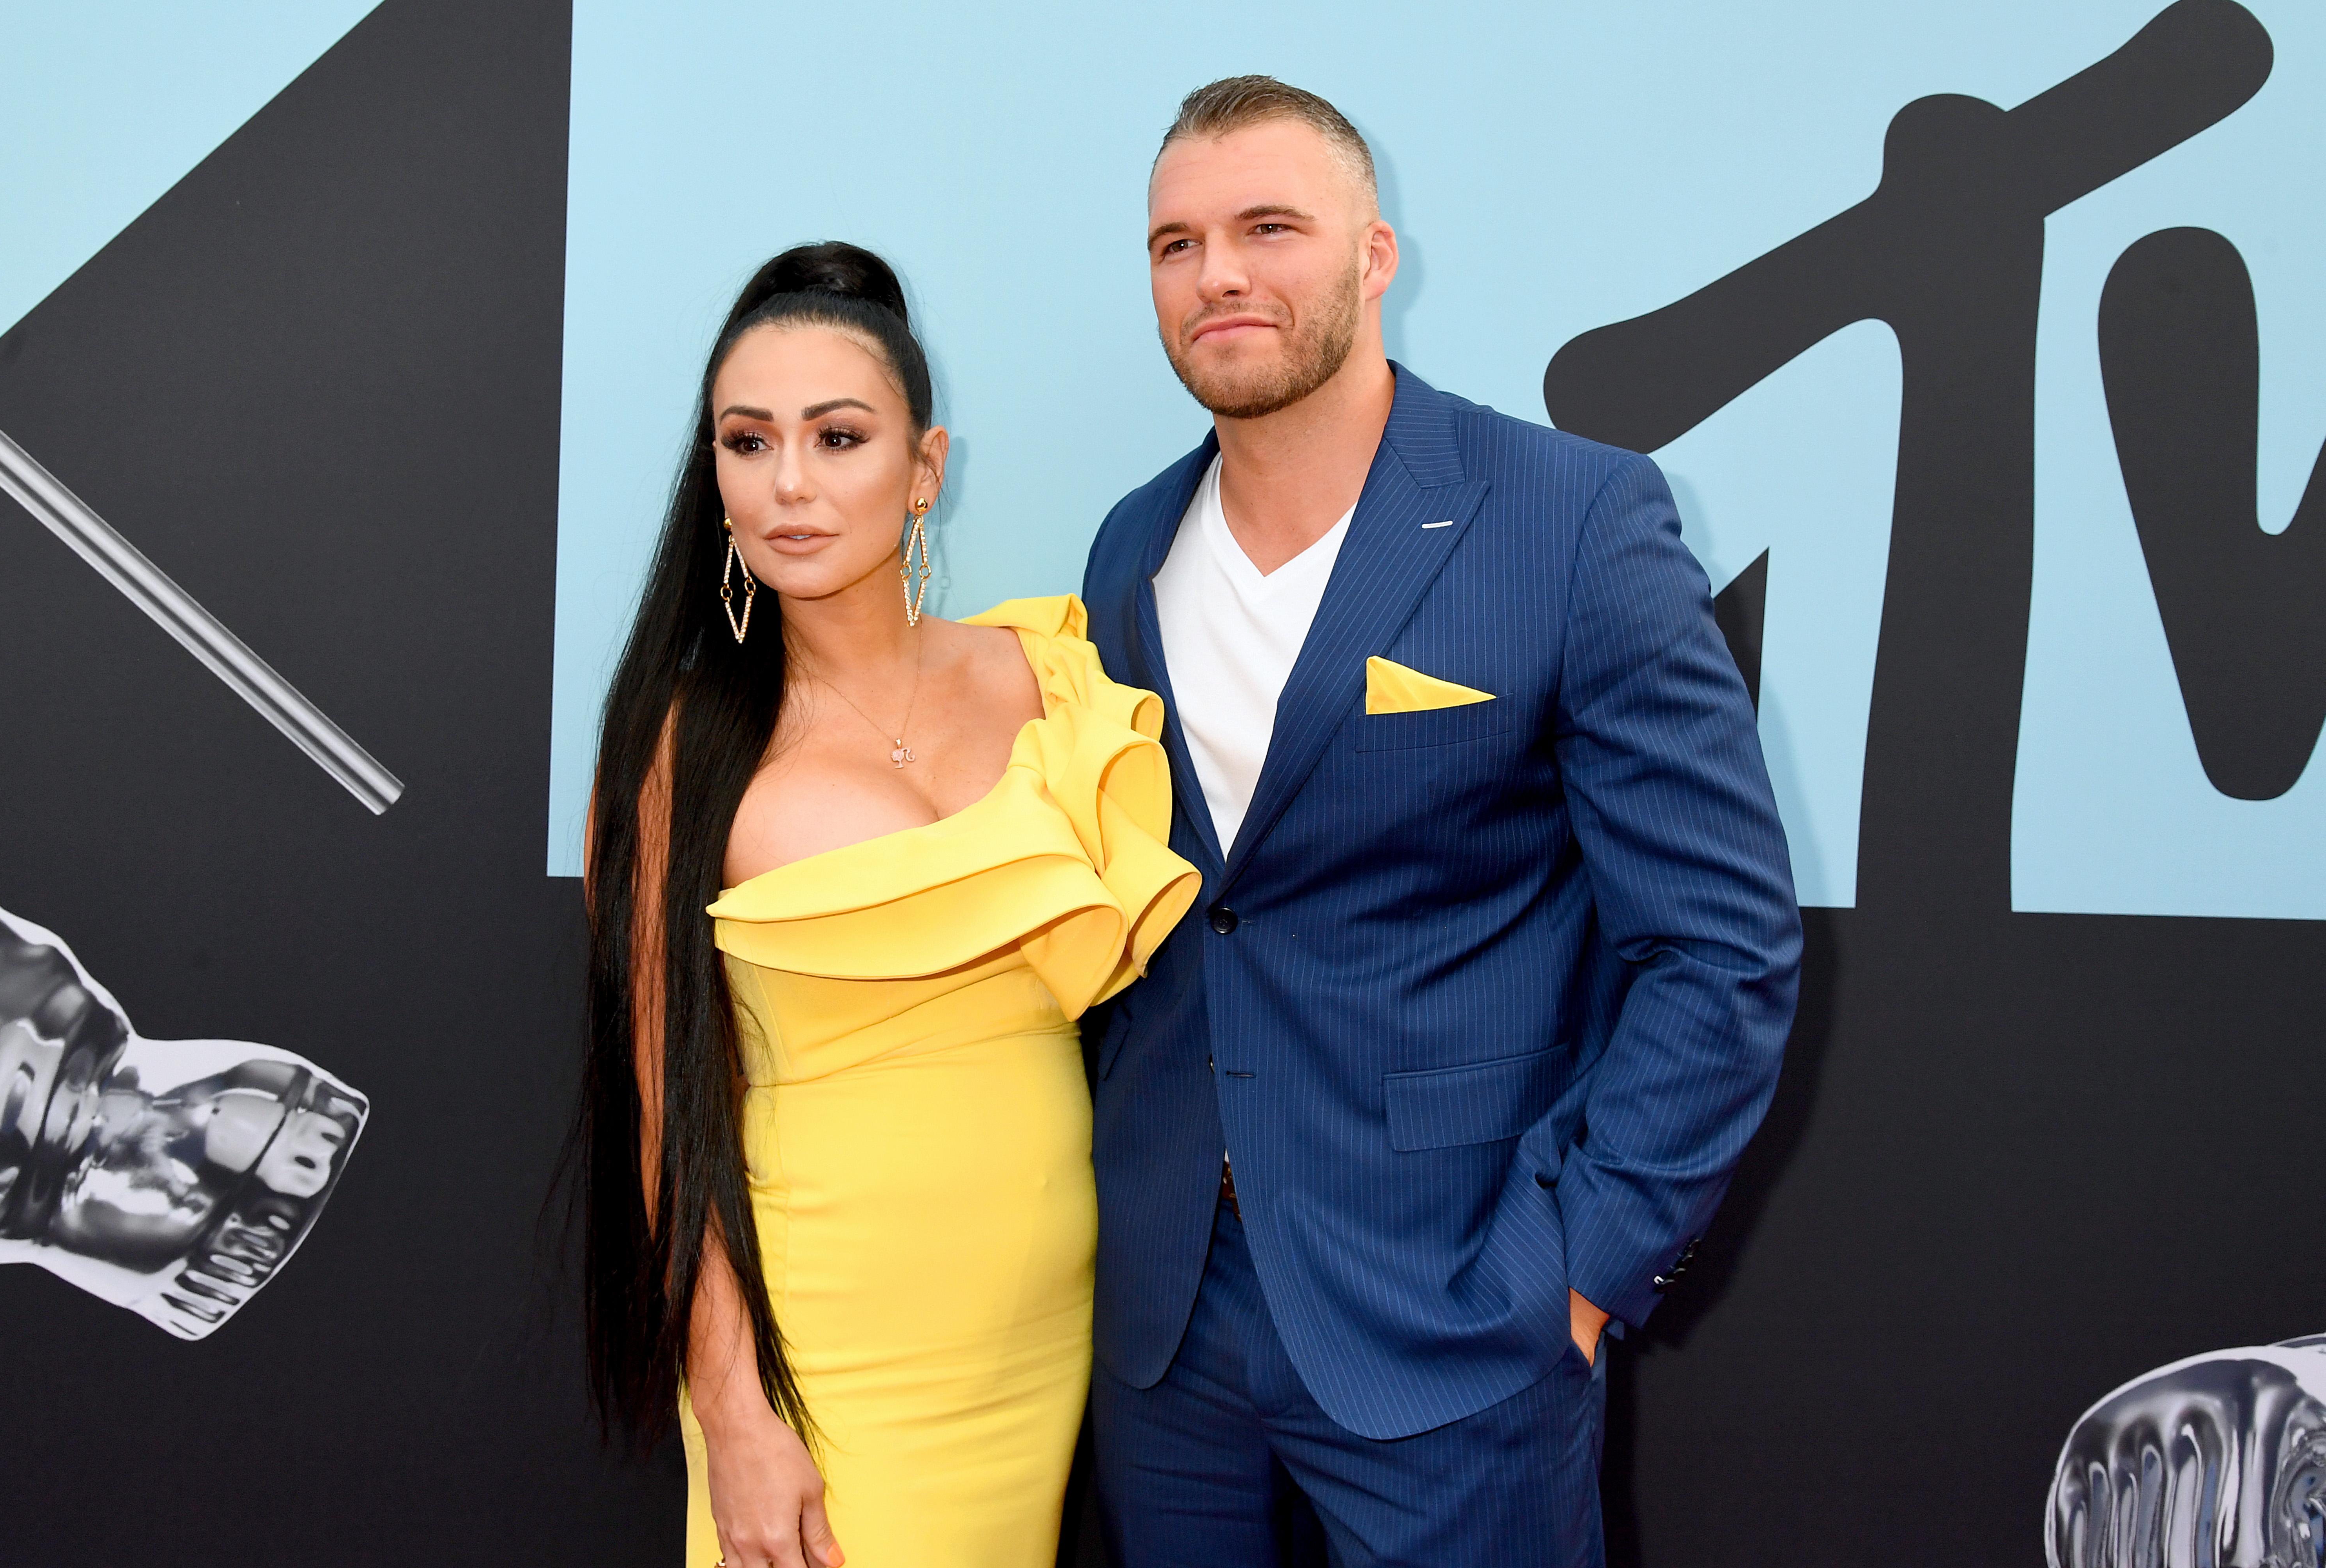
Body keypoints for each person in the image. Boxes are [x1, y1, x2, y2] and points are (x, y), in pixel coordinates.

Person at [1080, 78, 1804, 1565]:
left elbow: (1722, 947)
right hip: (1167, 1319)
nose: (1217, 273)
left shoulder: (1571, 517)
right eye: (1176, 243)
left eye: (1268, 227)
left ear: (1374, 254)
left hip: (1458, 1314)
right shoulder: (1129, 547)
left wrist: (1579, 1273)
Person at [576, 243, 1198, 1568]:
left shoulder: (1053, 677)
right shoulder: (680, 750)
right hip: (828, 1349)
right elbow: (664, 1115)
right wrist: (735, 1411)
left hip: (1044, 1328)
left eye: (837, 437)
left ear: (926, 468)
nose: (789, 483)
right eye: (747, 443)